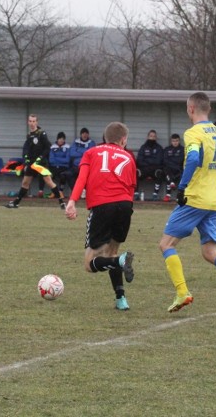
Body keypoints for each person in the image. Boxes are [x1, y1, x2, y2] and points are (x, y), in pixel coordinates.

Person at [159, 92, 216, 314]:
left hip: (195, 198)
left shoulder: (193, 133)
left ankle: (182, 292)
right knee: (209, 251)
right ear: (208, 109)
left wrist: (182, 187)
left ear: (191, 109)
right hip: (214, 200)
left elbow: (192, 159)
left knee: (166, 244)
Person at [65, 122, 137, 310]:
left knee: (90, 264)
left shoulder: (92, 152)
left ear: (105, 138)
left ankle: (121, 261)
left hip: (103, 206)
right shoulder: (129, 157)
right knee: (112, 251)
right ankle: (121, 300)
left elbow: (82, 177)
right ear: (123, 140)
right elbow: (131, 189)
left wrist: (72, 201)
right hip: (125, 206)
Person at [4, 114, 65, 209]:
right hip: (32, 163)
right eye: (30, 121)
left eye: (34, 121)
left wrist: (40, 158)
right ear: (28, 122)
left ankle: (62, 203)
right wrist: (26, 158)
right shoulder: (29, 135)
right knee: (25, 182)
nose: (32, 123)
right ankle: (16, 202)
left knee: (49, 182)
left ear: (37, 122)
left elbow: (47, 148)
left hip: (41, 163)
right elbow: (27, 149)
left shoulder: (41, 133)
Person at [137, 129, 165, 201]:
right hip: (144, 170)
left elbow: (159, 161)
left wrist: (148, 162)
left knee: (160, 173)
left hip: (154, 170)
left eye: (154, 136)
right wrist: (150, 163)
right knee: (135, 173)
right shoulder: (143, 147)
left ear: (156, 138)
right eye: (151, 136)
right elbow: (139, 160)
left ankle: (155, 194)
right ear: (148, 137)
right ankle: (136, 194)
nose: (152, 138)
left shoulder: (159, 148)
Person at [68, 127, 96, 194]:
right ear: (81, 134)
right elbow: (72, 153)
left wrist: (78, 151)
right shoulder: (76, 142)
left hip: (86, 166)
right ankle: (76, 192)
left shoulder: (92, 143)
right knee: (69, 175)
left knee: (88, 177)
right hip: (75, 165)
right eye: (83, 133)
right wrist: (84, 152)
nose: (85, 135)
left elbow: (91, 153)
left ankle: (85, 191)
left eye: (86, 133)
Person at [48, 131, 71, 202]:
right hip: (54, 167)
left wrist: (56, 159)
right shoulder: (52, 147)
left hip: (63, 167)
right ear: (57, 139)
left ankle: (60, 191)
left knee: (63, 176)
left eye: (63, 139)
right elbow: (51, 160)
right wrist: (61, 159)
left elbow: (67, 160)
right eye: (60, 139)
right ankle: (54, 191)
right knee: (49, 176)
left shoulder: (67, 147)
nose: (61, 140)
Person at [162, 133, 184, 202]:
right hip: (169, 169)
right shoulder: (167, 149)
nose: (175, 142)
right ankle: (169, 191)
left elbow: (180, 160)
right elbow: (165, 160)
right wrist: (173, 162)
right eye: (173, 141)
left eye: (176, 141)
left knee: (181, 174)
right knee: (166, 170)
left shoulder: (182, 149)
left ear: (179, 141)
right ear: (171, 141)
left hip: (178, 170)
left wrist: (171, 161)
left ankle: (174, 193)